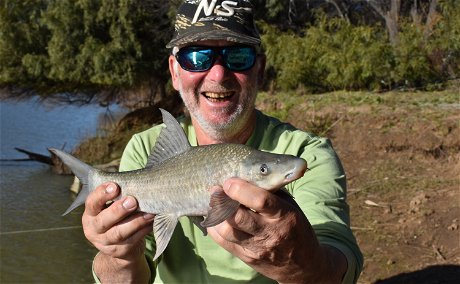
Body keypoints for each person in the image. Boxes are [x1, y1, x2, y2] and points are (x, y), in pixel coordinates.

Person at [82, 0, 363, 283]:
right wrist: (119, 256)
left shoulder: (307, 154)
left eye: (238, 56)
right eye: (197, 57)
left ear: (260, 69)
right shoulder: (143, 147)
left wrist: (306, 267)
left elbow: (340, 259)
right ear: (175, 73)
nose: (218, 74)